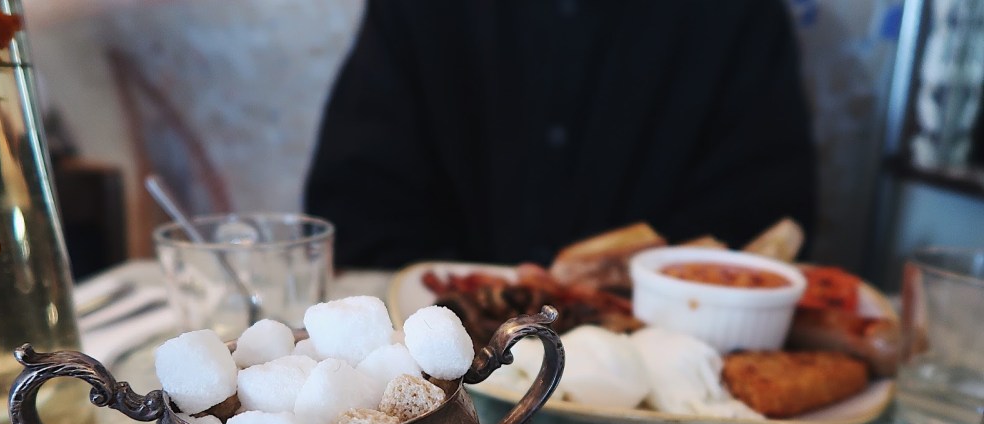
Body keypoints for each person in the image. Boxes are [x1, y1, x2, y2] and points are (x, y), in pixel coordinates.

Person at [304, 0, 816, 269]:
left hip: (667, 376)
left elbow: (763, 235)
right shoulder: (418, 9)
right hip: (442, 377)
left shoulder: (739, 15)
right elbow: (358, 210)